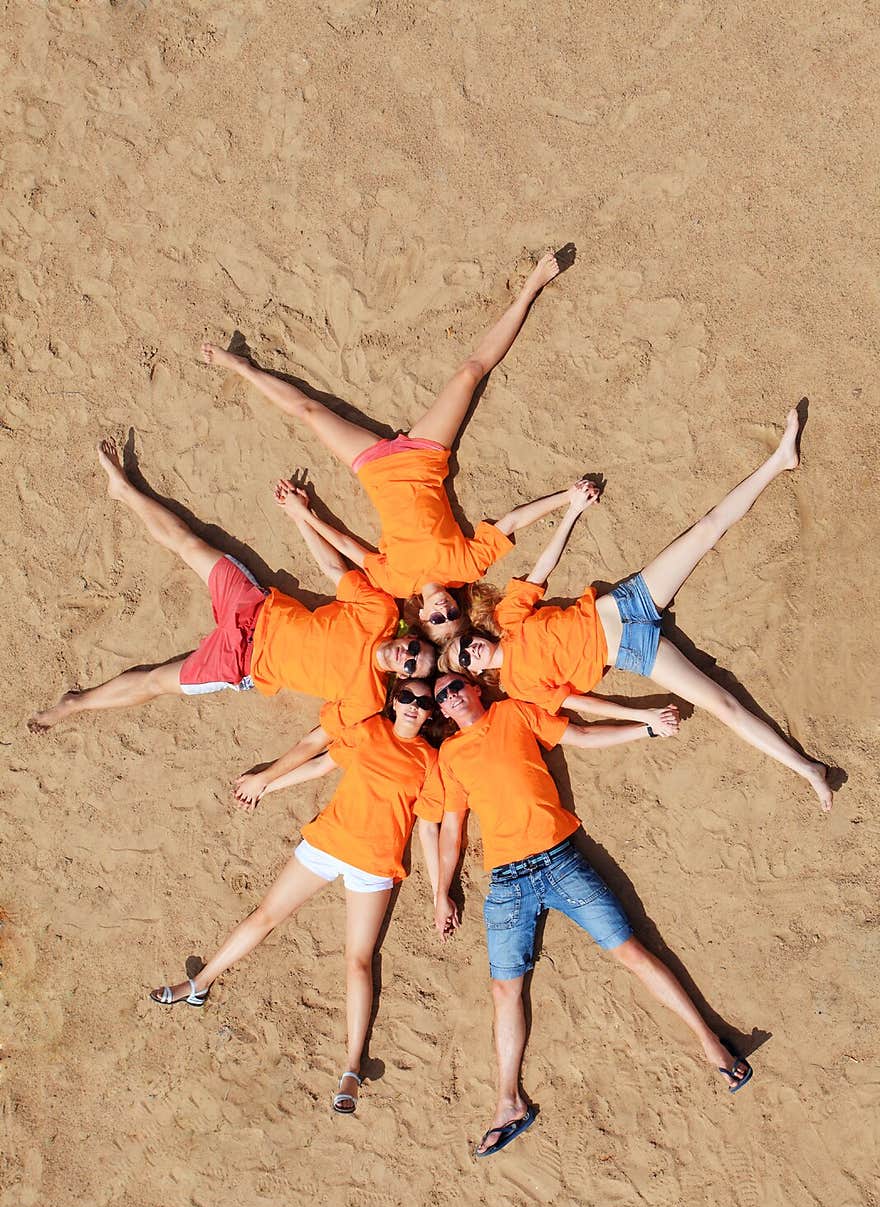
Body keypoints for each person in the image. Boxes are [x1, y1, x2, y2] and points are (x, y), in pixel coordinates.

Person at [441, 410, 833, 810]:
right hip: (633, 649)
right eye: (465, 658)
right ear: (473, 672)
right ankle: (807, 770)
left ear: (476, 633)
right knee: (723, 705)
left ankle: (780, 459)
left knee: (705, 530)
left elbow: (544, 567)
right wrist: (643, 718)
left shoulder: (509, 619)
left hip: (627, 601)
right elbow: (582, 704)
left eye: (466, 642)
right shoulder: (519, 687)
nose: (472, 650)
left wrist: (572, 511)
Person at [431, 673, 753, 1158]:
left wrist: (645, 726)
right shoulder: (450, 756)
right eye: (442, 696)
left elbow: (579, 736)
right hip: (506, 882)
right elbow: (451, 829)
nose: (451, 696)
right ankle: (507, 1102)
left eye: (456, 686)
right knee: (504, 989)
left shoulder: (514, 712)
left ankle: (711, 1043)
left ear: (476, 689)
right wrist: (441, 891)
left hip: (558, 860)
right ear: (442, 711)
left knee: (632, 952)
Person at [202, 251, 580, 645]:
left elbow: (347, 547)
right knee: (470, 372)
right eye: (452, 614)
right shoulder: (468, 568)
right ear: (460, 608)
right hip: (426, 457)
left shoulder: (396, 584)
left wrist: (304, 515)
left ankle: (242, 368)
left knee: (310, 412)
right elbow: (514, 522)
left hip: (375, 470)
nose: (442, 609)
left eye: (437, 620)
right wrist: (566, 499)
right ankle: (529, 289)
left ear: (421, 619)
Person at [150, 679, 444, 1116]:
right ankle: (200, 982)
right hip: (326, 844)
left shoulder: (430, 761)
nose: (413, 706)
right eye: (406, 697)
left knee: (358, 960)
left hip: (375, 865)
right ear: (394, 699)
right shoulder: (369, 731)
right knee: (265, 915)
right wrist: (265, 786)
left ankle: (350, 1067)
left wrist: (441, 893)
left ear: (430, 714)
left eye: (422, 703)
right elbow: (321, 766)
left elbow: (427, 828)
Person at [28, 442, 435, 737]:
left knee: (155, 681)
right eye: (416, 648)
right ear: (412, 636)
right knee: (189, 545)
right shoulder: (380, 614)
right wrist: (300, 517)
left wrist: (269, 779)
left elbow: (321, 737)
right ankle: (125, 492)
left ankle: (76, 703)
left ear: (402, 678)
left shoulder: (366, 698)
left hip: (241, 661)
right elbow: (333, 568)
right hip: (254, 606)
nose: (409, 656)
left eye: (412, 666)